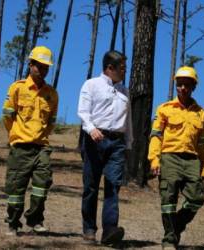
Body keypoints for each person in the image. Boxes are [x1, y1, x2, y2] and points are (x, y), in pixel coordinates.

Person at [148, 66, 204, 250]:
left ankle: (174, 227)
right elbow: (156, 136)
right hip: (170, 157)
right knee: (169, 199)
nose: (182, 88)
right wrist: (154, 159)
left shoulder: (201, 114)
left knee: (196, 199)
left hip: (192, 160)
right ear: (176, 86)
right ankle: (169, 241)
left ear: (193, 87)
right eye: (179, 84)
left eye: (187, 85)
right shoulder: (164, 109)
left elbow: (203, 144)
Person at [77, 50, 133, 245]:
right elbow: (83, 112)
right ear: (110, 68)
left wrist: (128, 143)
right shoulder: (91, 85)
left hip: (116, 144)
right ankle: (89, 229)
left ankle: (109, 230)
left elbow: (128, 121)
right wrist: (91, 129)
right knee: (91, 186)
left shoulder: (125, 92)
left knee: (113, 186)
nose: (125, 71)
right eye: (122, 68)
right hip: (94, 141)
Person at [2, 46, 58, 236]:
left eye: (45, 68)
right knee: (16, 189)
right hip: (20, 147)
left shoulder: (52, 94)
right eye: (39, 66)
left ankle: (35, 221)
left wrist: (40, 136)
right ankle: (13, 222)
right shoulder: (17, 88)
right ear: (30, 64)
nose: (42, 71)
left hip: (41, 147)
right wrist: (17, 134)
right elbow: (8, 117)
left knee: (42, 186)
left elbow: (51, 122)